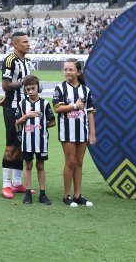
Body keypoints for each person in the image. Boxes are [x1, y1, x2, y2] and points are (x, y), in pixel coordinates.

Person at [52, 59, 97, 207]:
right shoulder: (59, 88)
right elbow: (57, 109)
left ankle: (78, 195)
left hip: (82, 132)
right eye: (65, 69)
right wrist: (75, 106)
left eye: (70, 69)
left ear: (78, 72)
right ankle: (67, 195)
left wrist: (92, 133)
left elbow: (90, 112)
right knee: (70, 162)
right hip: (67, 132)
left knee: (79, 162)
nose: (67, 72)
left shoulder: (86, 90)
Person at [0, 30, 32, 198]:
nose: (28, 44)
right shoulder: (10, 61)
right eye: (24, 42)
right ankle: (6, 185)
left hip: (26, 107)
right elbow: (5, 85)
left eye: (28, 41)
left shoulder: (27, 61)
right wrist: (23, 82)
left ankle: (17, 183)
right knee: (11, 145)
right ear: (15, 44)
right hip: (13, 108)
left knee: (21, 146)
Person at [16, 74, 54, 205]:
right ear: (25, 90)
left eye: (33, 88)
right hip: (26, 142)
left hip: (41, 141)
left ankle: (42, 194)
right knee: (28, 165)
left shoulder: (44, 103)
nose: (31, 91)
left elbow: (52, 122)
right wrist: (26, 117)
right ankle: (27, 194)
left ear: (39, 88)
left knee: (40, 166)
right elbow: (17, 122)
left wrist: (41, 126)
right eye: (28, 89)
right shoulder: (22, 104)